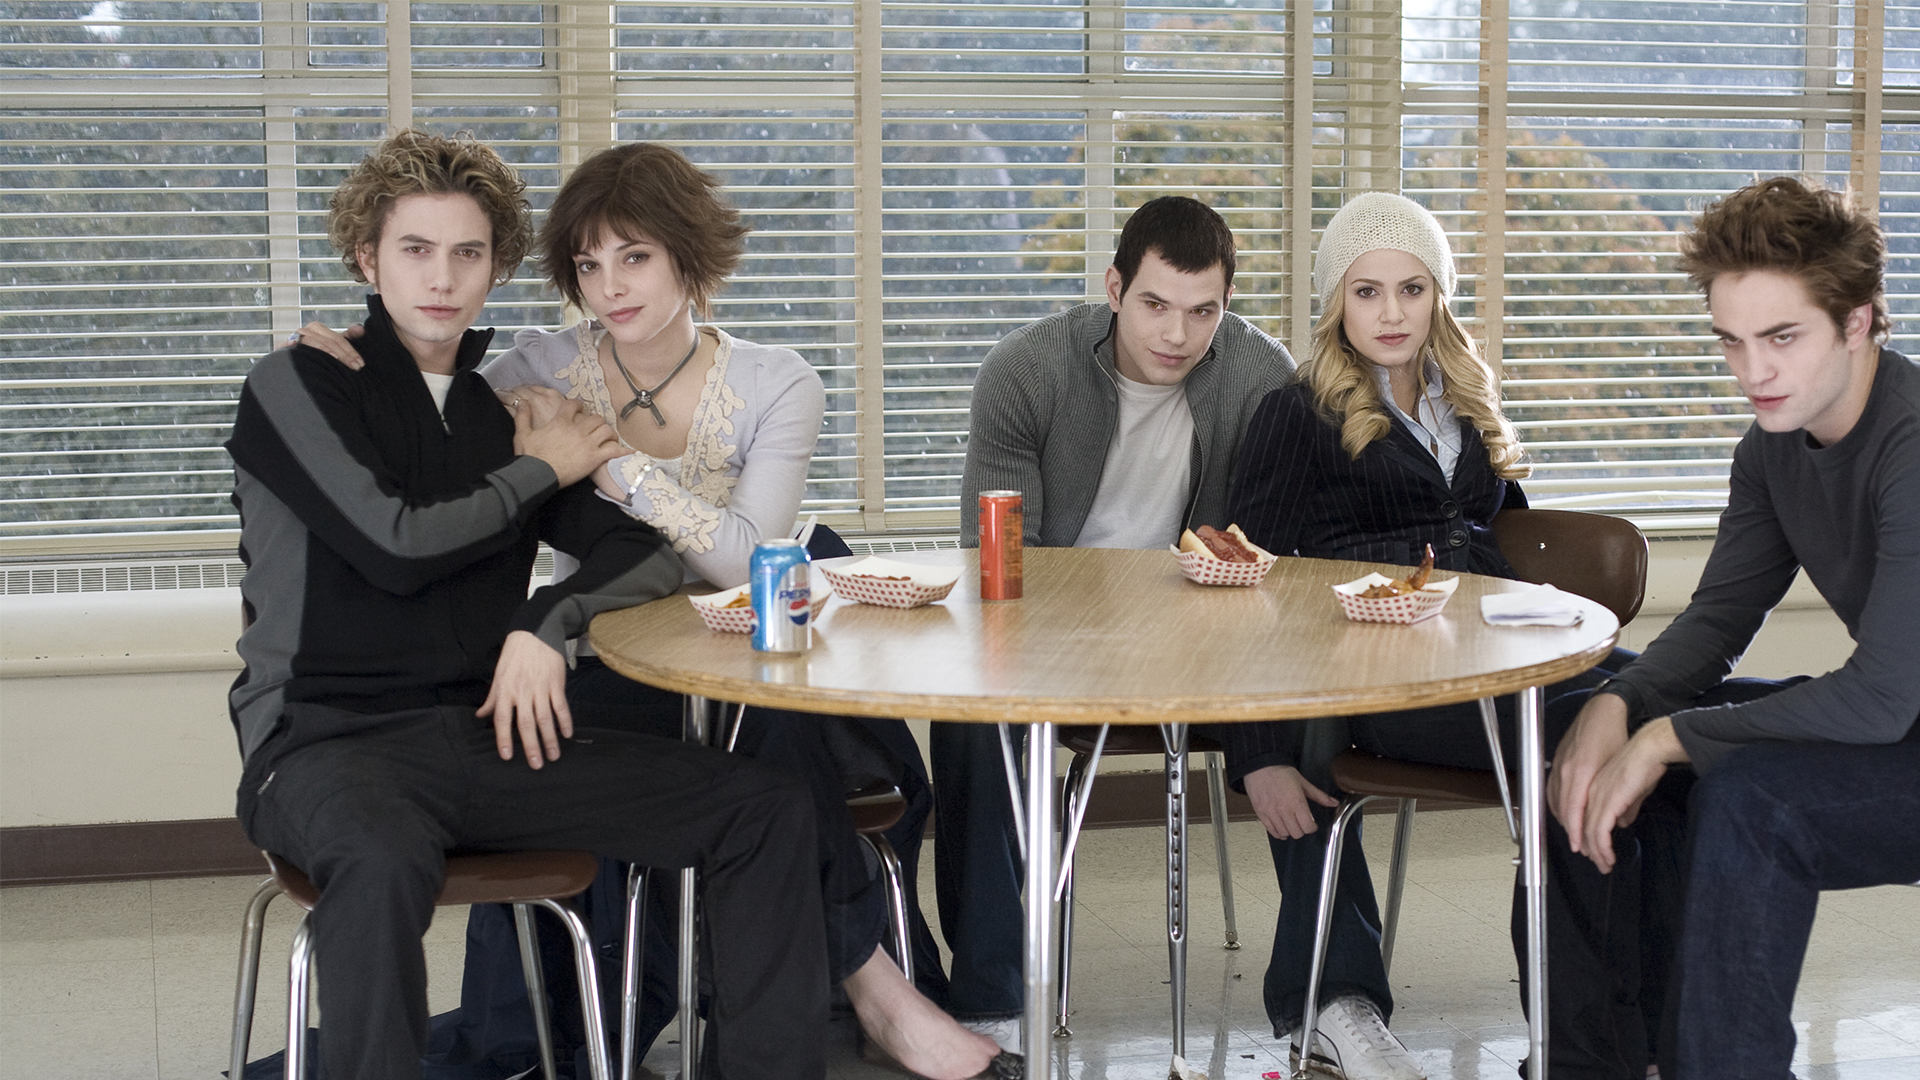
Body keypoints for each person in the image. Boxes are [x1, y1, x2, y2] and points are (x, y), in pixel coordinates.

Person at [300, 141, 996, 1080]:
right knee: (743, 744)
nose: (610, 287)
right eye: (588, 265)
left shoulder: (777, 380)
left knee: (765, 723)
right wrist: (344, 360)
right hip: (609, 656)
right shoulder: (532, 372)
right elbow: (426, 397)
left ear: (687, 254)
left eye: (635, 257)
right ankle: (870, 983)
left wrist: (611, 462)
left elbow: (742, 561)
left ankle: (844, 995)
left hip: (760, 647)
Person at [229, 129, 830, 1079]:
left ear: (498, 268)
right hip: (322, 745)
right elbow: (394, 545)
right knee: (380, 862)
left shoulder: (499, 412)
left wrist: (544, 625)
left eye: (468, 253)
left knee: (766, 810)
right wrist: (540, 471)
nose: (442, 278)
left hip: (484, 738)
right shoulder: (296, 385)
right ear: (367, 260)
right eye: (415, 249)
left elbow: (640, 549)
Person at [1219, 191, 1632, 1080]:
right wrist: (1258, 753)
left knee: (1658, 703)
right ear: (1335, 300)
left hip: (1498, 657)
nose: (1392, 313)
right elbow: (1248, 580)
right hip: (1385, 684)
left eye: (1412, 289)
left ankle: (1619, 1029)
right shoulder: (1297, 413)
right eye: (1366, 291)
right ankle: (1559, 1040)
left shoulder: (1465, 399)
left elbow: (1496, 536)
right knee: (1601, 735)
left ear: (1439, 294)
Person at [1544, 176, 1920, 1080]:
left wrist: (1669, 735)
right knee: (1582, 739)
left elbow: (1881, 698)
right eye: (1732, 340)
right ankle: (1603, 1065)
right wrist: (1620, 706)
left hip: (1898, 716)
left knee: (1754, 802)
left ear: (1858, 321)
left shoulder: (1912, 445)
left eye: (1782, 337)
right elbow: (1718, 619)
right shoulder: (1771, 447)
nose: (1753, 373)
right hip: (1902, 726)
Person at [948, 194, 1296, 1046]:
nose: (1177, 334)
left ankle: (1329, 996)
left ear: (1227, 304)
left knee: (1312, 709)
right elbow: (1000, 564)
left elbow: (1273, 551)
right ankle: (991, 1001)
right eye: (1154, 305)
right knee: (970, 714)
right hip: (1050, 635)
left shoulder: (1262, 375)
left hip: (1201, 642)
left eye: (1203, 311)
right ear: (1114, 288)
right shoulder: (1026, 369)